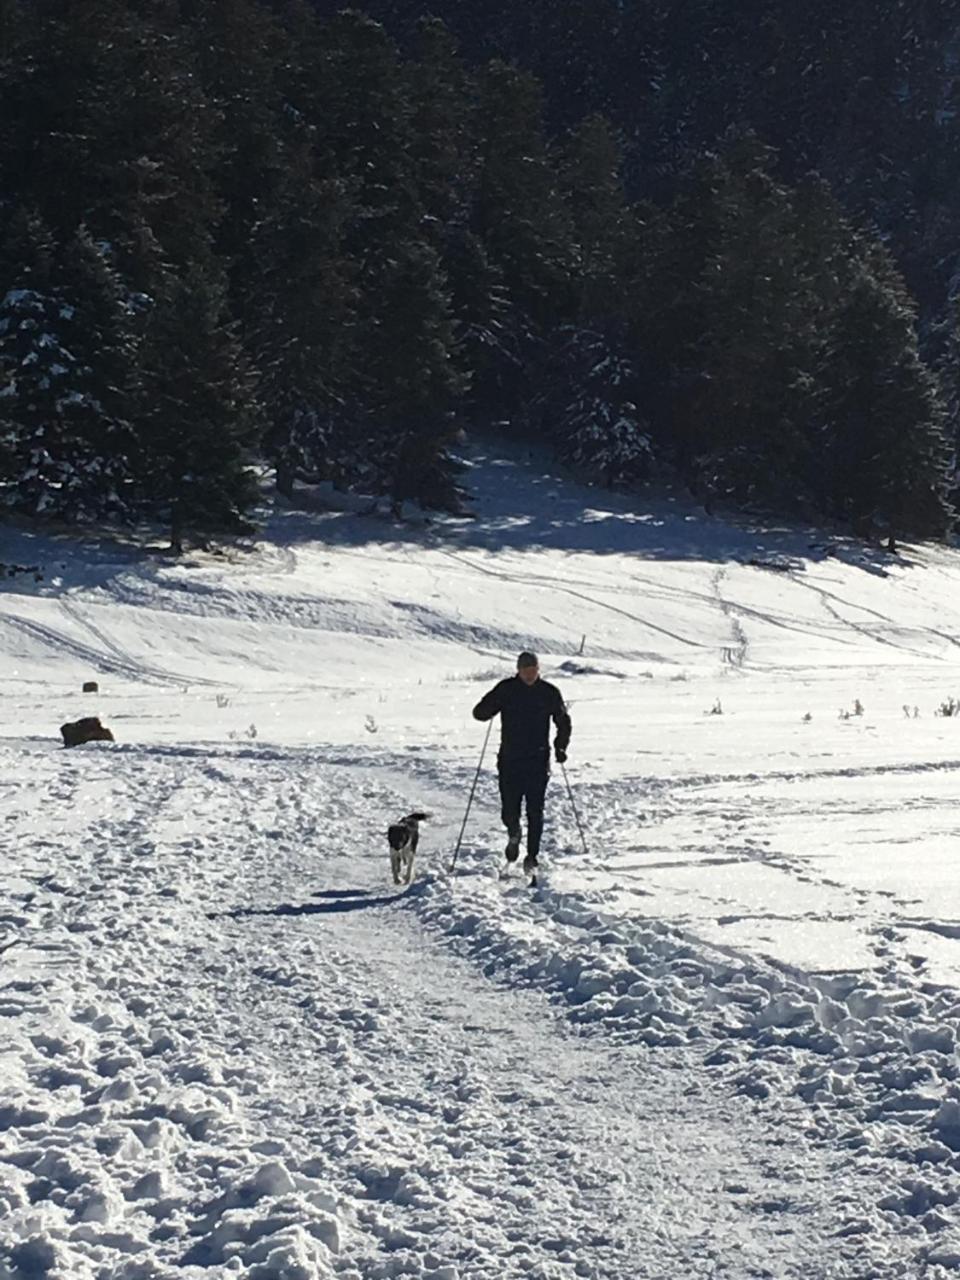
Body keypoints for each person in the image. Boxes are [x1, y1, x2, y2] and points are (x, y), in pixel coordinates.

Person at [472, 652, 572, 884]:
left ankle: (532, 856)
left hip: (538, 760)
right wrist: (489, 708)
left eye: (533, 670)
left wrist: (560, 747)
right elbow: (479, 713)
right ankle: (514, 832)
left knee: (535, 811)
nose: (529, 674)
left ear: (538, 669)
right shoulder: (506, 689)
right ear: (518, 670)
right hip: (510, 760)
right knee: (510, 809)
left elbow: (563, 721)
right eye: (525, 670)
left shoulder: (549, 692)